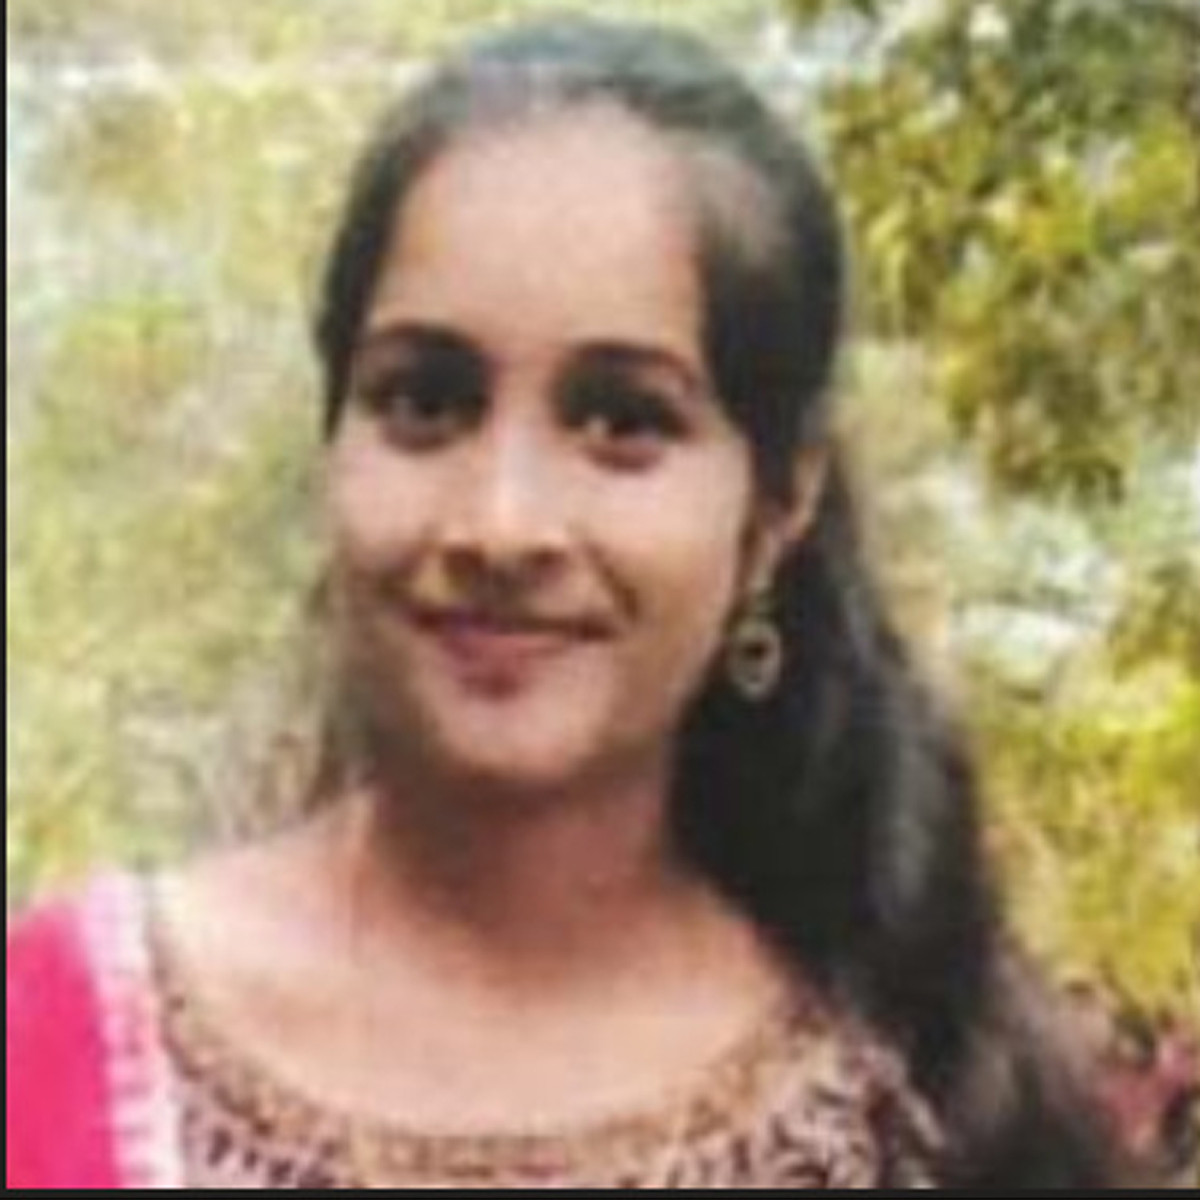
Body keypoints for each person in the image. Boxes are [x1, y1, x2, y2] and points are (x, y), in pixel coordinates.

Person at [7, 14, 1124, 1189]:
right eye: (425, 403)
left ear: (777, 505)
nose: (501, 524)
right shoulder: (57, 1045)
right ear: (335, 439)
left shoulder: (931, 1100)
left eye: (623, 422)